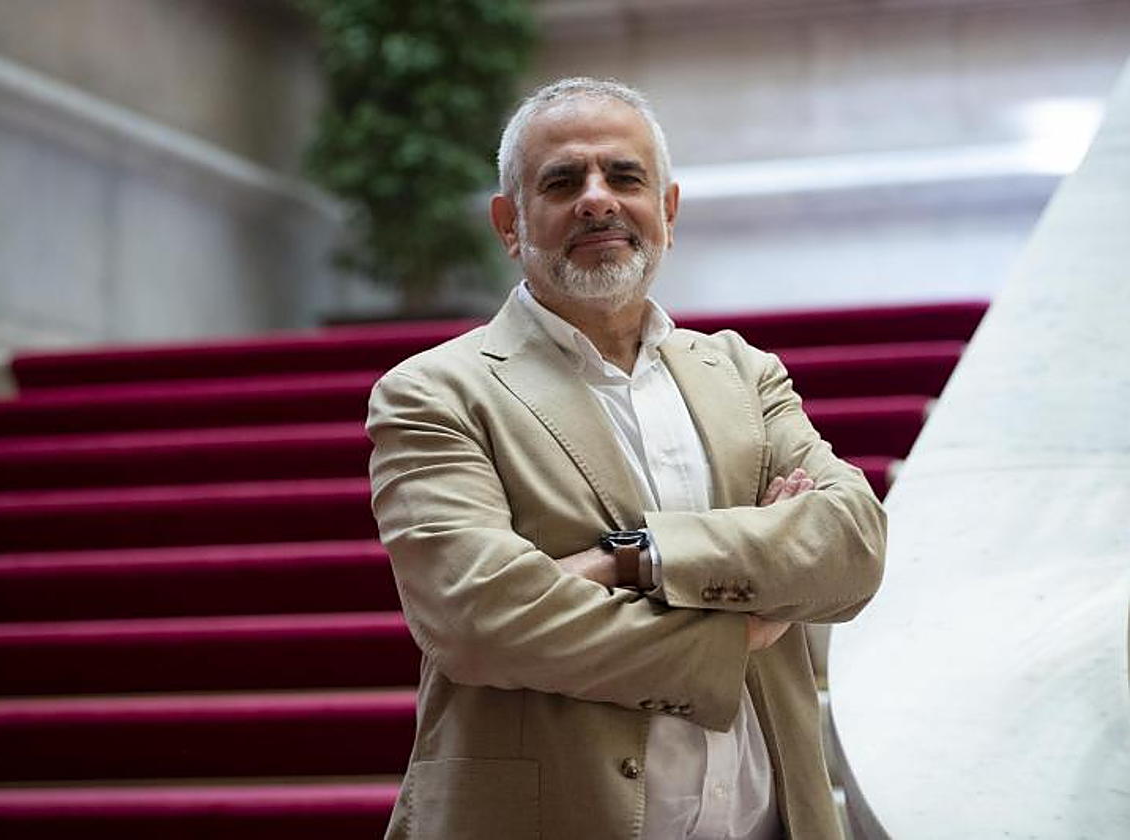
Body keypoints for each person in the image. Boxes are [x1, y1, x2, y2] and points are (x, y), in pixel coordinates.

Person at [366, 77, 886, 840]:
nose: (597, 199)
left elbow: (851, 546)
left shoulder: (745, 374)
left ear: (668, 211)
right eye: (563, 180)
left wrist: (632, 560)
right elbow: (479, 615)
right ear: (510, 224)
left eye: (625, 176)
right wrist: (740, 625)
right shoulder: (434, 394)